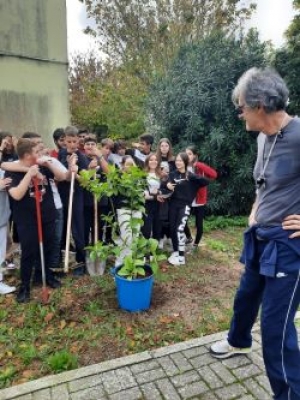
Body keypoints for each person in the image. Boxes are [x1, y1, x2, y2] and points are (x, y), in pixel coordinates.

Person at [210, 68, 300, 400]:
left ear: (259, 105)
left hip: (289, 247)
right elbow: (264, 184)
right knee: (246, 296)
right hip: (260, 235)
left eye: (242, 107)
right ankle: (238, 341)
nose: (240, 114)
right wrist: (255, 209)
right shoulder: (263, 137)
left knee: (275, 329)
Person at [5, 139, 65, 302]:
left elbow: (62, 176)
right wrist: (29, 175)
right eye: (36, 152)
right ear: (26, 155)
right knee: (29, 251)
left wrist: (49, 164)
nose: (40, 154)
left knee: (47, 246)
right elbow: (16, 194)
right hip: (27, 219)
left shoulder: (43, 166)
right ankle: (25, 285)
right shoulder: (13, 172)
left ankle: (44, 275)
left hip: (47, 214)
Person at [166, 152, 208, 266]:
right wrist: (168, 185)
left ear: (185, 162)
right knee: (172, 229)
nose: (178, 163)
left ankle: (181, 257)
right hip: (173, 205)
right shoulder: (172, 174)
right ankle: (176, 251)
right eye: (177, 161)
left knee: (180, 229)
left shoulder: (190, 175)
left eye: (180, 160)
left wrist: (193, 176)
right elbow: (167, 185)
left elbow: (206, 181)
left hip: (185, 206)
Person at [185, 145, 217, 249]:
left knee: (199, 224)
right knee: (183, 220)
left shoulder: (199, 166)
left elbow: (214, 174)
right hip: (187, 199)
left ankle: (195, 245)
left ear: (195, 155)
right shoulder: (183, 166)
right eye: (186, 153)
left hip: (199, 200)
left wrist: (198, 164)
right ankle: (189, 237)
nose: (187, 155)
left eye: (190, 154)